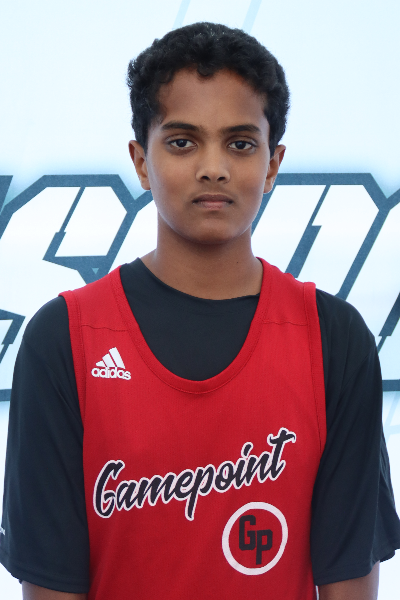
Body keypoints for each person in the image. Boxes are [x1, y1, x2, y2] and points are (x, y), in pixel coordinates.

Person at [1, 22, 400, 600]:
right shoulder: (64, 339)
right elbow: (50, 586)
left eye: (240, 143)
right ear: (141, 161)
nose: (214, 167)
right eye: (183, 142)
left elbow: (349, 583)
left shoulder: (333, 339)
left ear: (272, 163)